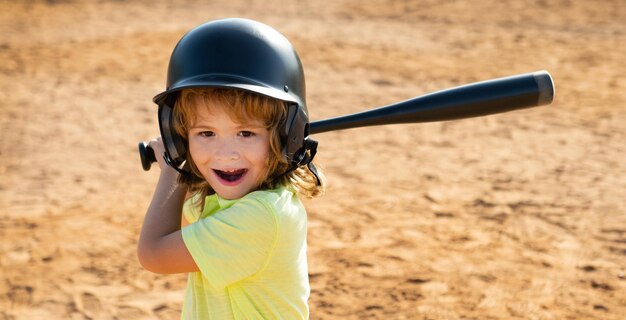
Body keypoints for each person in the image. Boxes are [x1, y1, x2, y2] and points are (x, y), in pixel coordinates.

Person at [137, 18, 324, 319]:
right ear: (182, 137)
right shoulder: (237, 198)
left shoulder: (259, 217)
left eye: (246, 133)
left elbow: (154, 254)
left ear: (285, 137)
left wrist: (173, 170)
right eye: (206, 133)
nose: (225, 154)